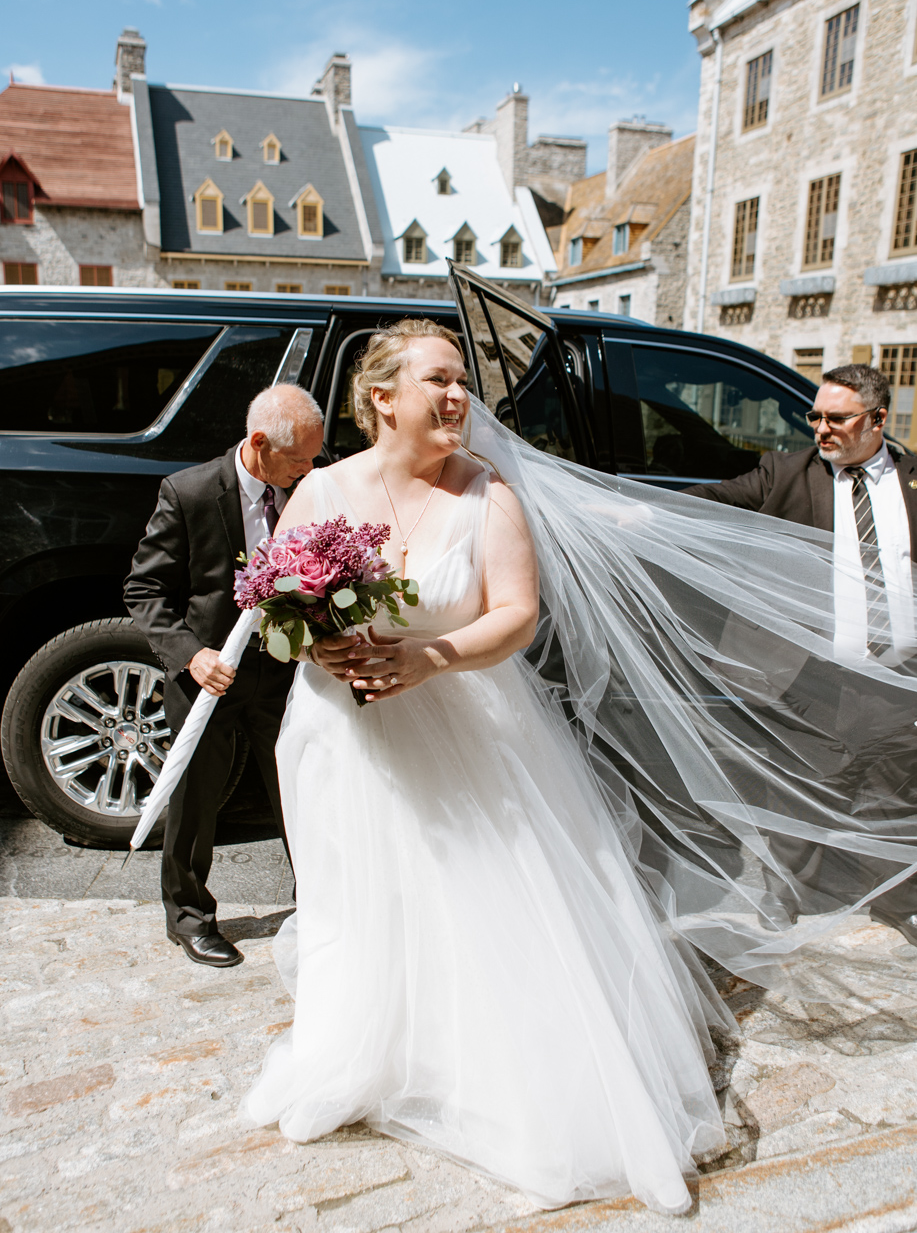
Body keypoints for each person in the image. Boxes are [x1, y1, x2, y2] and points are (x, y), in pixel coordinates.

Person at [243, 321, 731, 1214]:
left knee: (475, 897)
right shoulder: (317, 491)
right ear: (382, 396)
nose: (459, 396)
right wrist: (330, 654)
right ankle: (358, 1055)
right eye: (439, 379)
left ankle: (489, 1071)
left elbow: (515, 615)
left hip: (465, 725)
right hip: (340, 736)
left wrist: (428, 659)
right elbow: (284, 612)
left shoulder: (487, 495)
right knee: (361, 894)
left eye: (463, 380)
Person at [685, 364, 917, 944]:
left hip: (900, 675)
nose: (821, 428)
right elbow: (713, 502)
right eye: (815, 415)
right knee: (804, 785)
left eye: (837, 417)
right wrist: (631, 510)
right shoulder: (785, 474)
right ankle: (782, 906)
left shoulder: (912, 479)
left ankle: (899, 904)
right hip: (816, 675)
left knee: (898, 790)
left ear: (878, 419)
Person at [124, 383, 323, 967]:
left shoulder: (310, 486)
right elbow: (145, 589)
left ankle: (318, 908)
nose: (311, 470)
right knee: (195, 797)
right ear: (259, 444)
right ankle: (188, 916)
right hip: (210, 674)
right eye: (300, 459)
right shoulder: (187, 492)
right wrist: (191, 654)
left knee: (304, 789)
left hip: (288, 671)